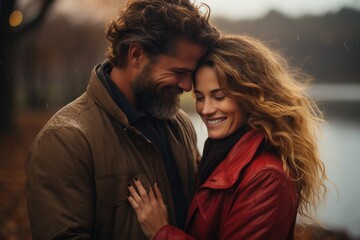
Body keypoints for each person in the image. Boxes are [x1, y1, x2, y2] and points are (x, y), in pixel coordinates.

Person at [26, 0, 220, 239]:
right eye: (178, 72)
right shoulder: (65, 140)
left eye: (191, 74)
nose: (187, 86)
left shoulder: (181, 124)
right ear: (136, 54)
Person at [127, 35, 328, 240]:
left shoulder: (267, 177)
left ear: (250, 96)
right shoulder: (221, 154)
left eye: (219, 97)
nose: (205, 109)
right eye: (199, 97)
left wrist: (161, 232)